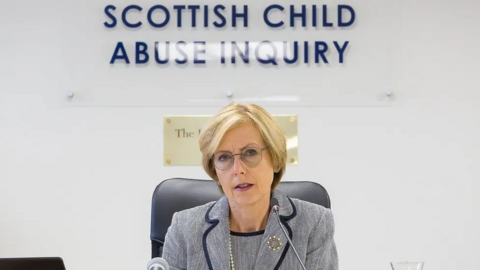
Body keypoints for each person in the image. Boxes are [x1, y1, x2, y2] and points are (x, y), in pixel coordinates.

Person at [162, 102, 338, 270]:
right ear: (214, 171)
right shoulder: (184, 229)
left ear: (275, 159)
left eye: (250, 153)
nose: (238, 170)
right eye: (224, 157)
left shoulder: (314, 223)